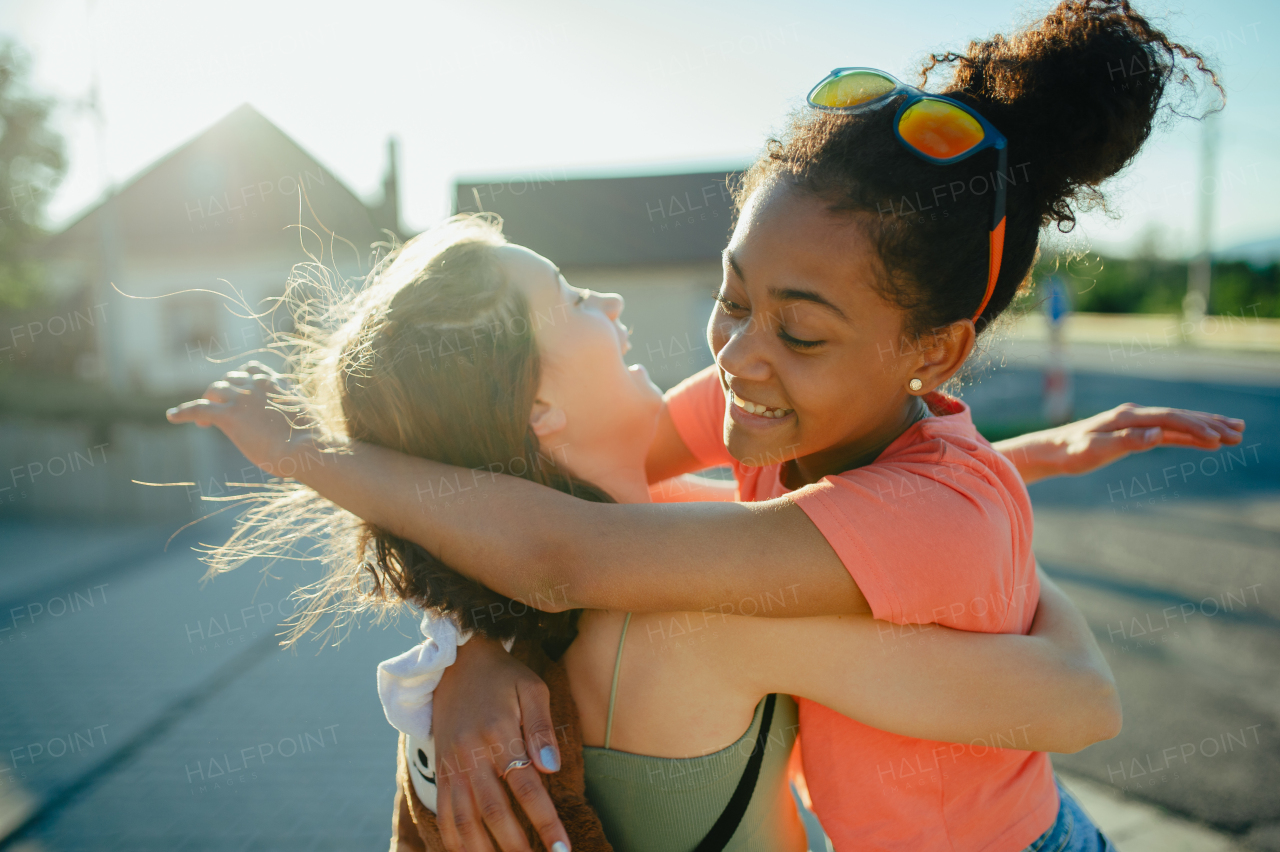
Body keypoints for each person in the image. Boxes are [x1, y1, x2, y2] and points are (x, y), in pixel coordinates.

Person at [169, 3, 1242, 849]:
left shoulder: (897, 504)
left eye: (799, 330)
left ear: (935, 353)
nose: (731, 358)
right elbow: (592, 493)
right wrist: (472, 649)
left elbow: (565, 553)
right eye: (731, 300)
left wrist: (310, 457)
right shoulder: (776, 420)